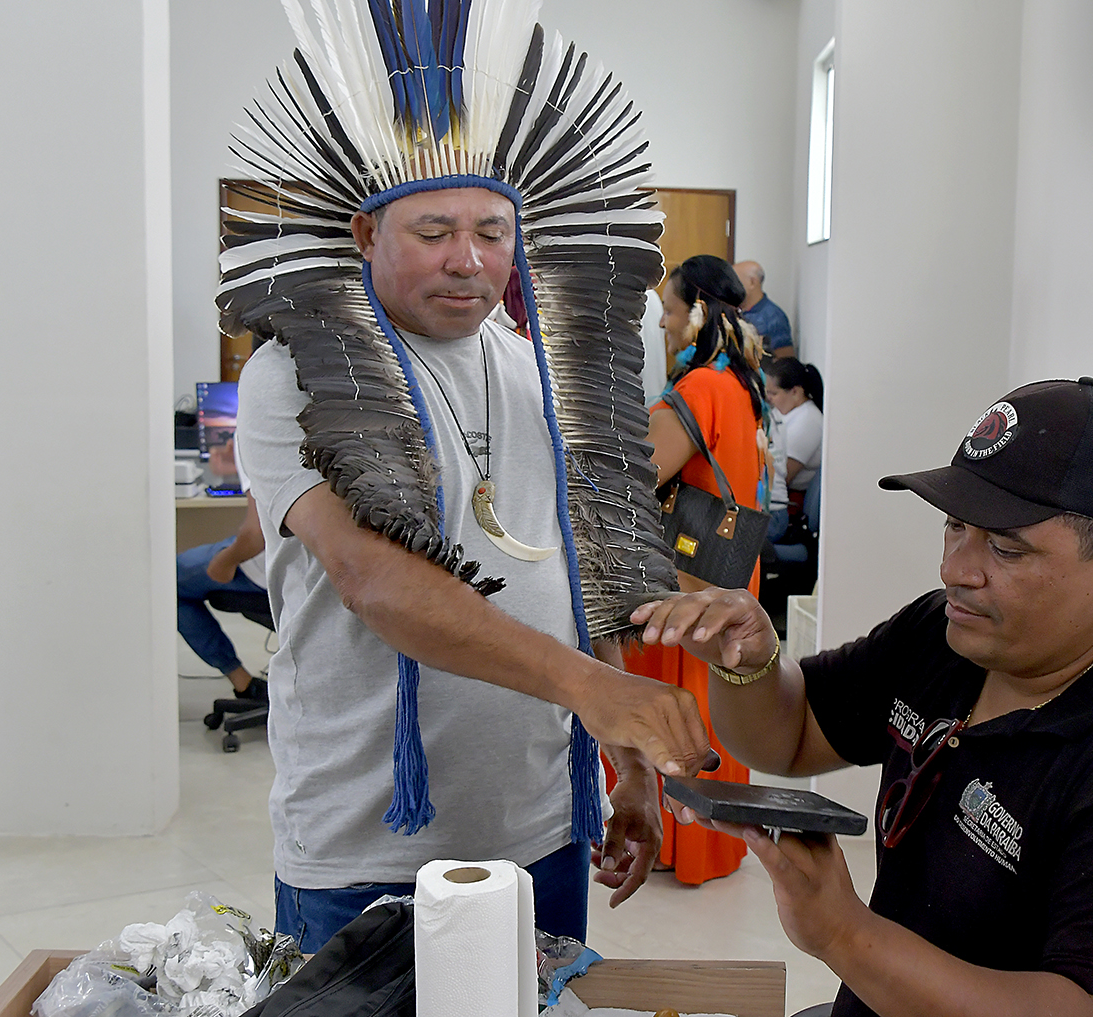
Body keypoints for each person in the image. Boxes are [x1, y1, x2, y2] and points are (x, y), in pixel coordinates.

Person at [222, 1, 713, 954]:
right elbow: (373, 579)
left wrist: (625, 755)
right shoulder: (296, 373)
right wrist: (592, 690)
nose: (470, 260)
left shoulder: (533, 367)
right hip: (366, 841)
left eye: (493, 231)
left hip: (539, 825)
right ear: (366, 234)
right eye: (435, 229)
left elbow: (580, 565)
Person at [633, 377, 1093, 1017]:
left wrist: (844, 933)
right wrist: (747, 665)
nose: (956, 568)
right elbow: (791, 733)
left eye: (1004, 547)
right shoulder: (947, 637)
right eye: (954, 526)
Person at [624, 255, 769, 884]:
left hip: (690, 574)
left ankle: (680, 840)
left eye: (671, 313)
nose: (664, 326)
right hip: (730, 567)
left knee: (680, 698)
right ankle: (714, 846)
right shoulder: (740, 383)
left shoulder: (698, 387)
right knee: (720, 699)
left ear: (699, 313)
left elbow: (644, 473)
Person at [176, 490, 268, 699]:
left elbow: (255, 535)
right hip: (322, 571)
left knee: (171, 579)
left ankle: (242, 682)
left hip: (267, 566)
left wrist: (224, 563)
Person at [762, 357, 824, 532]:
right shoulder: (785, 414)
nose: (769, 399)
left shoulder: (809, 421)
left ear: (795, 392)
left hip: (788, 507)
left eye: (774, 393)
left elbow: (783, 475)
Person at [734, 260, 795, 358]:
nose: (731, 286)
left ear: (752, 282)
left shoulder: (774, 317)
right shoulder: (733, 310)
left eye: (735, 280)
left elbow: (785, 363)